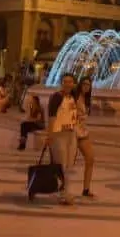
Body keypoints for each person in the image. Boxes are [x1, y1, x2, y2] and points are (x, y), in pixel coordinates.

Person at [47, 74, 78, 205]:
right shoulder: (56, 97)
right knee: (62, 165)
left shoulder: (72, 97)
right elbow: (51, 117)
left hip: (71, 133)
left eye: (70, 82)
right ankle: (64, 193)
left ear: (73, 84)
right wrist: (49, 136)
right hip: (59, 134)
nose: (67, 84)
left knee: (69, 165)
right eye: (65, 81)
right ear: (61, 83)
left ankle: (65, 191)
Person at [74, 78, 97, 198]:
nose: (86, 86)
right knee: (67, 163)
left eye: (89, 85)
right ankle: (62, 186)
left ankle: (86, 189)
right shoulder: (74, 97)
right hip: (72, 132)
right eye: (84, 84)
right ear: (80, 84)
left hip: (82, 132)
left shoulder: (87, 100)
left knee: (90, 158)